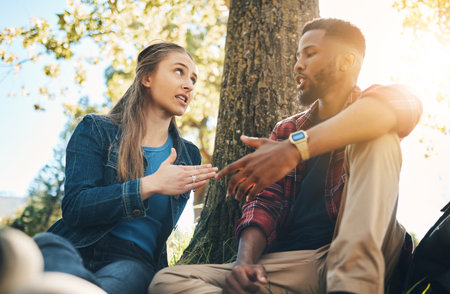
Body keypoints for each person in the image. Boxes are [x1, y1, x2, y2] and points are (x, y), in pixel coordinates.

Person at [148, 18, 423, 294]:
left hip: (366, 253)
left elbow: (402, 106)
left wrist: (295, 149)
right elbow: (267, 202)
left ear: (346, 61)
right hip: (297, 263)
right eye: (297, 56)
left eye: (310, 53)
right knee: (166, 283)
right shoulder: (287, 129)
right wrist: (244, 264)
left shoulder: (379, 102)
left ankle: (351, 288)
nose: (298, 65)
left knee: (378, 135)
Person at [32, 42, 217, 294]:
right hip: (71, 247)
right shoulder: (96, 129)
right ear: (146, 77)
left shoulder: (189, 155)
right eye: (179, 71)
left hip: (132, 261)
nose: (189, 84)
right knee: (42, 247)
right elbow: (76, 208)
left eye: (193, 79)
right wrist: (149, 185)